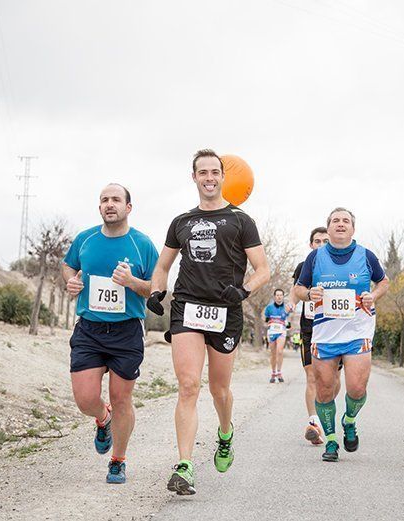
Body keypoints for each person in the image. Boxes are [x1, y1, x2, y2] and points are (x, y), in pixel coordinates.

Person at [147, 149, 270, 495]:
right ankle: (185, 465)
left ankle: (225, 432)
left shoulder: (241, 220)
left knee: (219, 390)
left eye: (215, 171)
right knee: (188, 386)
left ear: (222, 177)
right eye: (203, 172)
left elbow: (263, 270)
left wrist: (242, 292)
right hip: (187, 306)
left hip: (225, 310)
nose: (209, 177)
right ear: (194, 178)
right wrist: (158, 291)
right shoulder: (181, 222)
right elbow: (163, 266)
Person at [62, 183, 159, 484]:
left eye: (116, 199)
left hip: (126, 330)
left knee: (121, 399)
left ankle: (118, 460)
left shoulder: (142, 244)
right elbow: (68, 266)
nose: (109, 204)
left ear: (128, 207)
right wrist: (71, 282)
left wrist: (132, 282)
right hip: (89, 328)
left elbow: (156, 289)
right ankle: (102, 419)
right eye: (104, 200)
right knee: (84, 398)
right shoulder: (85, 239)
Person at [293, 208, 389, 462]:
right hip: (324, 334)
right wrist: (309, 293)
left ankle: (349, 419)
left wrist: (373, 295)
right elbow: (299, 288)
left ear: (353, 229)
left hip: (357, 332)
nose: (340, 224)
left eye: (345, 220)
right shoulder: (315, 258)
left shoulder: (366, 256)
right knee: (324, 390)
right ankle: (332, 440)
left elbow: (384, 282)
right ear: (329, 226)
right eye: (335, 220)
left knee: (357, 388)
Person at [289, 226, 341, 445]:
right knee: (312, 376)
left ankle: (322, 409)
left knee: (332, 380)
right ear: (311, 245)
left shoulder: (340, 265)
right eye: (316, 241)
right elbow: (295, 290)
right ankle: (314, 423)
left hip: (335, 329)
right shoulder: (304, 266)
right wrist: (292, 303)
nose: (320, 244)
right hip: (310, 328)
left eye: (324, 241)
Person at [262, 289, 289, 383]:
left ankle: (279, 372)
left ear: (283, 296)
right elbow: (265, 320)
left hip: (282, 331)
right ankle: (273, 373)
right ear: (274, 296)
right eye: (277, 295)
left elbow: (288, 320)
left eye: (281, 295)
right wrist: (269, 324)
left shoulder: (286, 307)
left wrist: (287, 324)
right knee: (273, 353)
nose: (279, 297)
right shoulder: (269, 308)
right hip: (272, 331)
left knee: (280, 351)